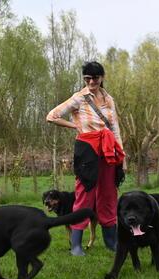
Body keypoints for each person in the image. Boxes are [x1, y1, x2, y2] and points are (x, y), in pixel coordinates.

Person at [46, 61, 126, 256]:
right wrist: (75, 126)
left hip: (108, 149)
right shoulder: (79, 98)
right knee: (84, 195)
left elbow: (114, 128)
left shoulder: (109, 99)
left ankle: (110, 241)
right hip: (87, 150)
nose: (91, 81)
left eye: (95, 78)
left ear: (102, 78)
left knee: (108, 194)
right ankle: (76, 245)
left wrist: (122, 156)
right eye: (87, 78)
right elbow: (52, 116)